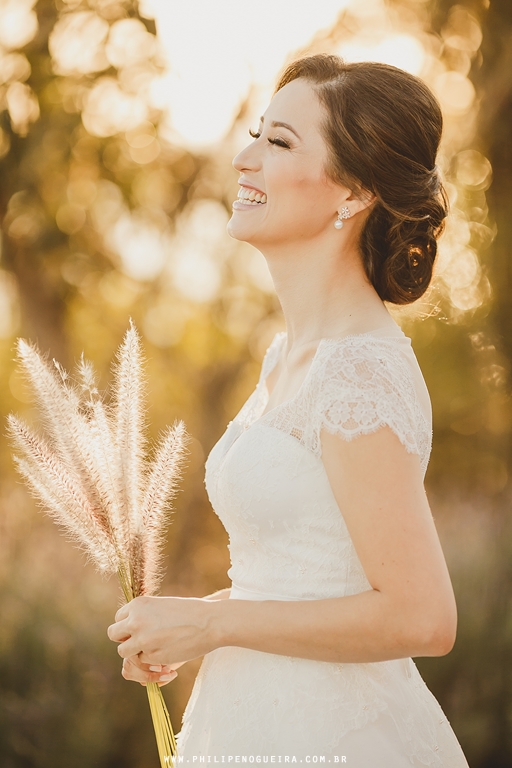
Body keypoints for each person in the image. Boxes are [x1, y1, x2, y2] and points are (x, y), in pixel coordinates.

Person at [107, 54, 471, 766]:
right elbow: (302, 578)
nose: (245, 159)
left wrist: (216, 628)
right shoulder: (290, 354)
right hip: (251, 717)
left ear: (355, 191)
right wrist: (190, 620)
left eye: (279, 143)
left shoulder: (358, 369)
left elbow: (422, 617)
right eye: (255, 134)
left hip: (334, 738)